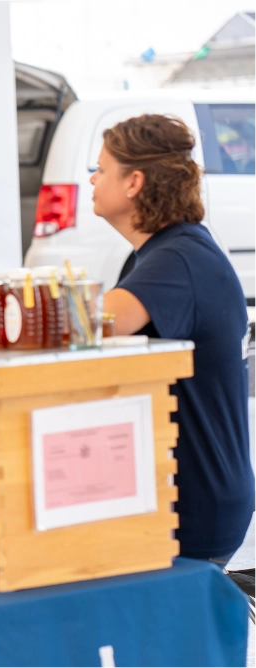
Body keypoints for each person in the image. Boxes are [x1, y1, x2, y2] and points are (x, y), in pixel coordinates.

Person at [97, 114, 253, 565]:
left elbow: (91, 323)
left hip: (195, 502)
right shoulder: (162, 255)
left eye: (102, 169)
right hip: (184, 490)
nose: (92, 178)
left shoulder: (178, 260)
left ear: (134, 183)